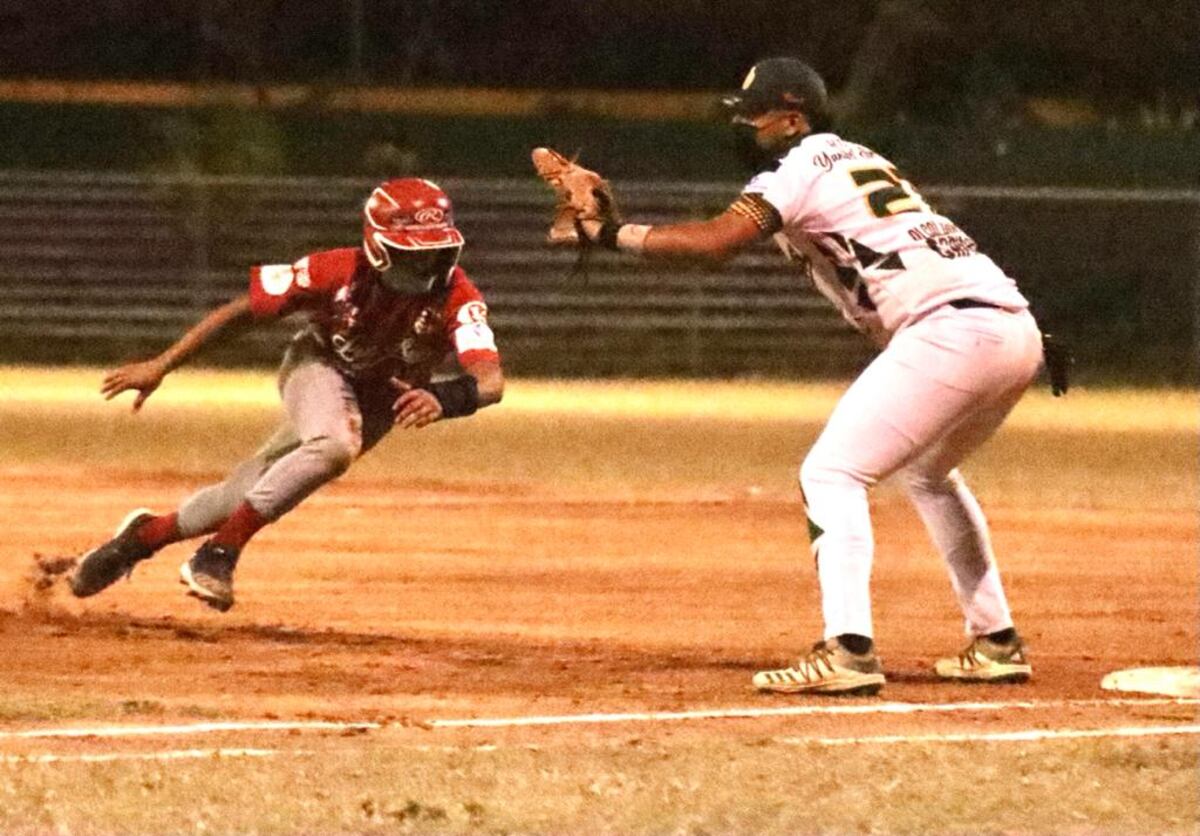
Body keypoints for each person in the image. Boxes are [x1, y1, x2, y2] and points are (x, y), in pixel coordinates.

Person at [556, 58, 1048, 695]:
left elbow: (715, 243)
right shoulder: (852, 162)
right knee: (927, 473)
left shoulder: (803, 164)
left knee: (830, 473)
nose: (744, 129)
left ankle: (847, 650)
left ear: (793, 118)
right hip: (1009, 324)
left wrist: (608, 233)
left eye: (754, 117)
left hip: (951, 331)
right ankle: (997, 641)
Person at [67, 178, 504, 612]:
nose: (426, 266)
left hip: (377, 401)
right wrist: (162, 364)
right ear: (378, 246)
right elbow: (242, 313)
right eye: (414, 253)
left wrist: (446, 399)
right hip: (318, 366)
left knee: (239, 497)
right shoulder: (334, 270)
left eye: (435, 251)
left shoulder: (457, 296)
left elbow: (490, 381)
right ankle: (218, 554)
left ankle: (140, 538)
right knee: (334, 446)